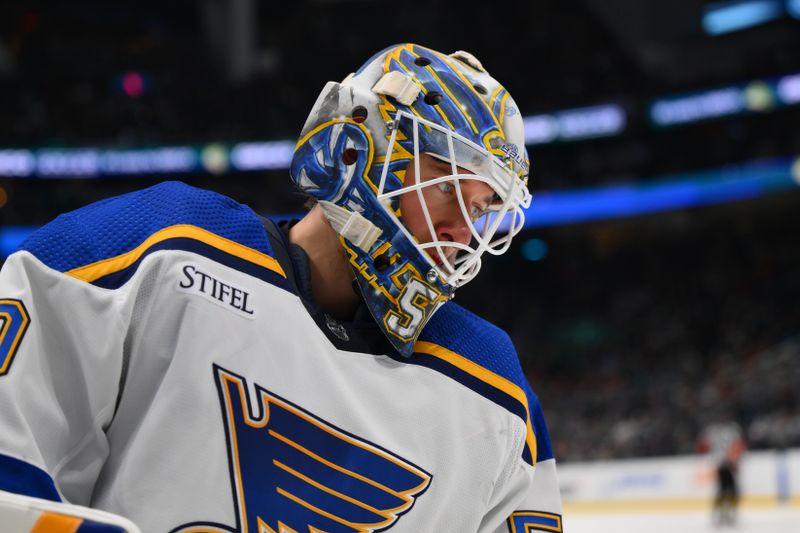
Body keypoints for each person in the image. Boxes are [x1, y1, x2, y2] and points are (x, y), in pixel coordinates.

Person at [0, 43, 561, 532]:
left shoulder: (495, 391)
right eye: (448, 188)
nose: (464, 231)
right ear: (357, 147)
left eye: (485, 206)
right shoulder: (161, 248)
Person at [698, 418, 746, 527]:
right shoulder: (732, 430)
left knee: (723, 490)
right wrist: (735, 459)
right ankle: (725, 513)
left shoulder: (712, 431)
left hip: (720, 463)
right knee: (730, 490)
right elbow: (737, 445)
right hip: (726, 463)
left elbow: (703, 446)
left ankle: (723, 514)